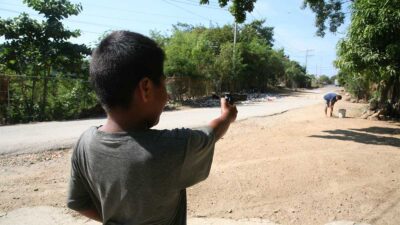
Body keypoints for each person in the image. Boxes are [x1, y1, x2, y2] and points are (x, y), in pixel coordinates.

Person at [66, 31, 237, 225]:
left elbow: (77, 203)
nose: (168, 97)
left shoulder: (85, 143)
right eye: (164, 86)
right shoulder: (172, 148)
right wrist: (227, 115)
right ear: (146, 88)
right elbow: (212, 133)